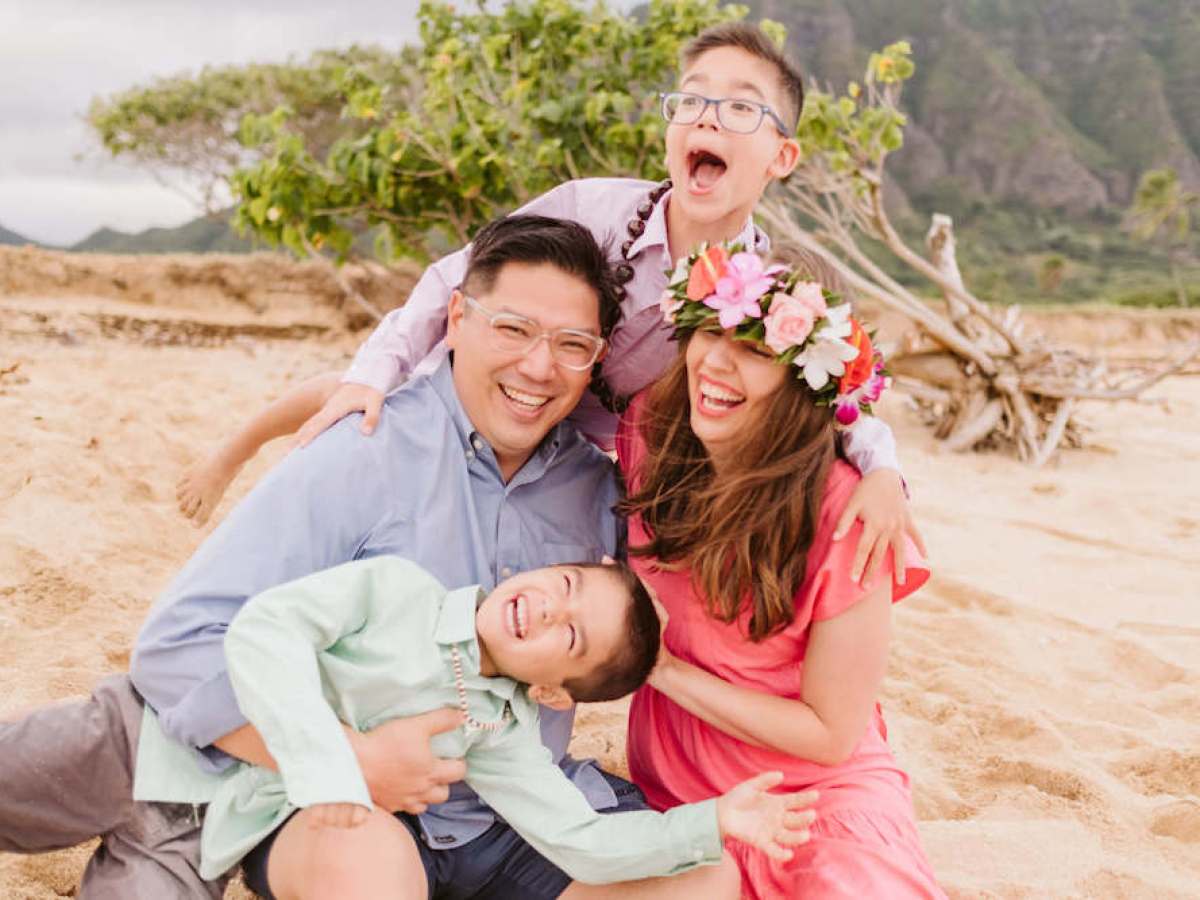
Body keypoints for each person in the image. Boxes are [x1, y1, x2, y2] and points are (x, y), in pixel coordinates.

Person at [0, 215, 742, 899]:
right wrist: (348, 760)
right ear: (455, 320)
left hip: (508, 809)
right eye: (512, 328)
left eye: (572, 346)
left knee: (706, 880)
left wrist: (865, 454)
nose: (540, 368)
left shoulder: (598, 490)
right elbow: (177, 647)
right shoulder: (369, 446)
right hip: (327, 804)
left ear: (597, 359)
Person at [176, 22, 921, 591]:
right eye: (690, 99)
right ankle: (232, 452)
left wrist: (883, 469)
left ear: (783, 157)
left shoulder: (773, 287)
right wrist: (375, 370)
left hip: (595, 435)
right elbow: (453, 281)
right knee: (373, 393)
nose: (708, 118)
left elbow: (833, 385)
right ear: (668, 130)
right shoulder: (593, 210)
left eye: (740, 108)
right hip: (508, 367)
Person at [134, 555, 816, 896]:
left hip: (444, 843)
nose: (550, 610)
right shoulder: (399, 592)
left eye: (571, 638)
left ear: (551, 689)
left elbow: (576, 838)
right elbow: (264, 629)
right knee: (364, 854)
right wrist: (331, 765)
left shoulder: (502, 727)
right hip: (304, 810)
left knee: (710, 876)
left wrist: (711, 822)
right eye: (567, 587)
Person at [615, 242, 946, 898]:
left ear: (806, 380)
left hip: (809, 804)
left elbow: (830, 735)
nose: (716, 362)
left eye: (756, 350)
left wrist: (662, 670)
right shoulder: (651, 434)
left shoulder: (849, 512)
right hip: (678, 804)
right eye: (712, 329)